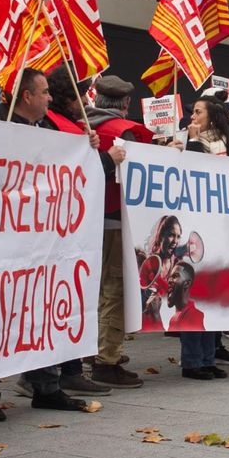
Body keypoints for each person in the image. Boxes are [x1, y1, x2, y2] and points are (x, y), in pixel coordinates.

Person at [0, 69, 96, 414]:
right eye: (43, 92)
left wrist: (86, 149)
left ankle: (47, 386)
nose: (50, 97)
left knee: (42, 313)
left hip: (43, 245)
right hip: (2, 244)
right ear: (26, 97)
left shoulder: (50, 129)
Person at [83, 74, 151, 389]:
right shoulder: (126, 133)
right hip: (116, 220)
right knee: (114, 289)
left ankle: (93, 349)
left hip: (86, 221)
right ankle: (106, 360)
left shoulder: (82, 128)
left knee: (95, 288)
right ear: (125, 104)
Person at [178, 96, 229, 375]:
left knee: (212, 292)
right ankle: (192, 361)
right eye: (192, 111)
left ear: (212, 116)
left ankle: (208, 357)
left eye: (198, 112)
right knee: (194, 292)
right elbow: (191, 171)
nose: (193, 116)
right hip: (194, 227)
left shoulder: (226, 143)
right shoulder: (182, 140)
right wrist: (191, 141)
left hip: (219, 227)